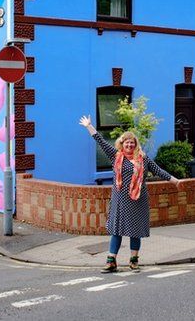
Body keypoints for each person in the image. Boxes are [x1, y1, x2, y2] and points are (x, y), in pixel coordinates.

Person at [78, 115, 182, 273]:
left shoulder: (143, 160)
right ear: (122, 144)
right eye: (126, 142)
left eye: (132, 143)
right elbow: (100, 141)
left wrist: (175, 180)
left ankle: (134, 261)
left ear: (135, 145)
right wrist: (89, 126)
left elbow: (158, 171)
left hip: (138, 199)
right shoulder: (116, 156)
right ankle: (111, 262)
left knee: (135, 231)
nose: (129, 145)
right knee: (116, 230)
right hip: (119, 199)